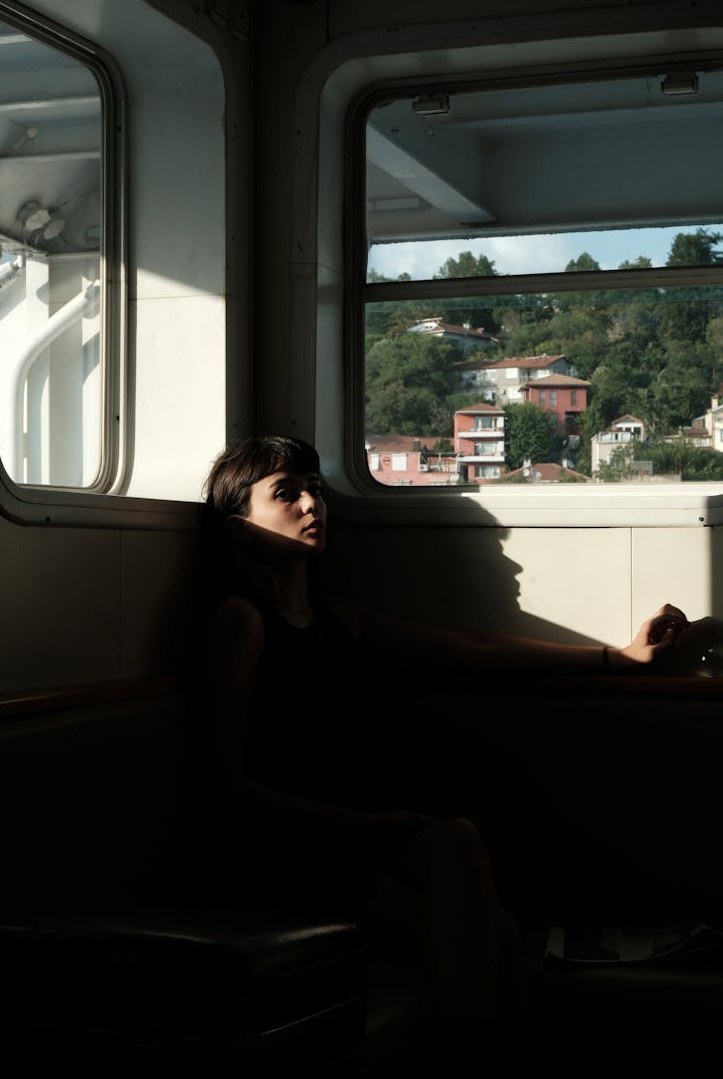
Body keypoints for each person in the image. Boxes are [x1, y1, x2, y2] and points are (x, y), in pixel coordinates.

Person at [194, 434, 720, 1076]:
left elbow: (472, 646)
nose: (314, 504)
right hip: (289, 858)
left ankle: (476, 1062)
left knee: (492, 925)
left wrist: (619, 659)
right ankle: (467, 1061)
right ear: (241, 527)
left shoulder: (338, 619)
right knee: (456, 855)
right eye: (287, 494)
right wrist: (384, 830)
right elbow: (223, 790)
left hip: (357, 854)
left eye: (317, 490)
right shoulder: (240, 621)